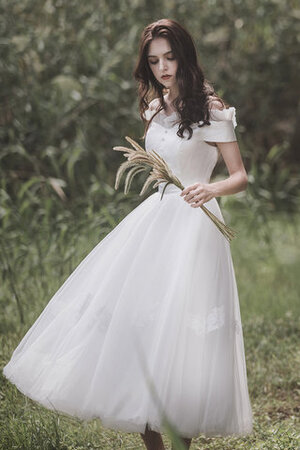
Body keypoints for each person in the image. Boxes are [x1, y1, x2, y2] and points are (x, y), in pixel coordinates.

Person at [2, 18, 253, 450]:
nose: (162, 68)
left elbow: (240, 176)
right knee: (141, 326)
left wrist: (208, 188)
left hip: (195, 227)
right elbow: (157, 168)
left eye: (170, 57)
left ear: (185, 57)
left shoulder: (212, 111)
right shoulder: (153, 109)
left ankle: (182, 439)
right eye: (154, 60)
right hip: (155, 223)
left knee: (183, 335)